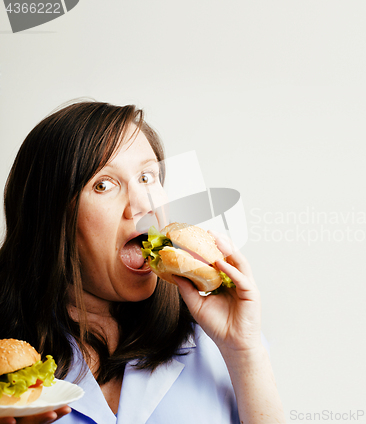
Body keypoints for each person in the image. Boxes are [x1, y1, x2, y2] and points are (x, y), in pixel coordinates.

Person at [0, 101, 285, 424]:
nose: (141, 204)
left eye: (147, 177)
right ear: (49, 219)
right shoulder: (9, 357)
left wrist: (244, 354)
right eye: (103, 185)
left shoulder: (217, 339)